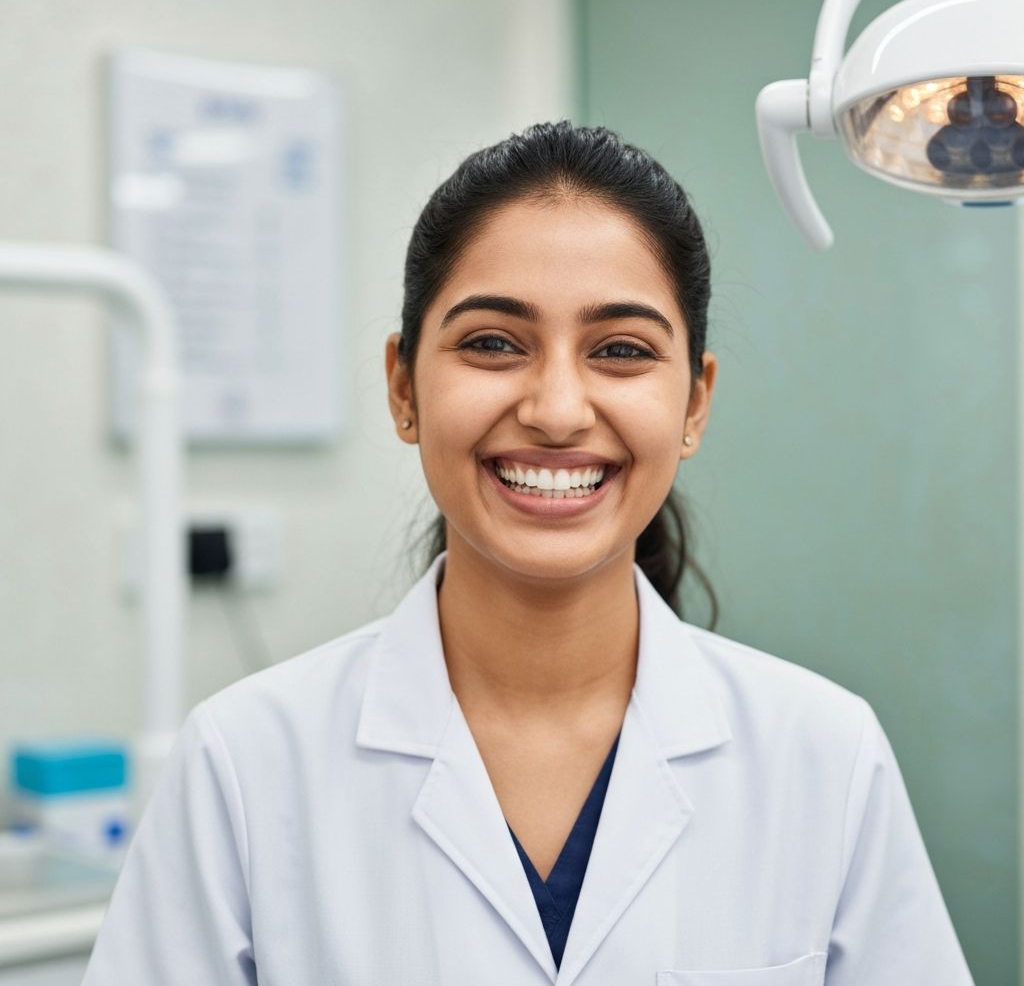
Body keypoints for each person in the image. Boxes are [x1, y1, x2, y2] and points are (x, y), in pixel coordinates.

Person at [81, 121, 975, 985]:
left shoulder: (821, 754)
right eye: (493, 344)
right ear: (404, 387)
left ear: (695, 403)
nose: (555, 409)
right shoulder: (245, 763)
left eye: (621, 351)